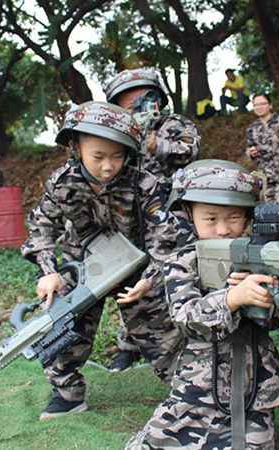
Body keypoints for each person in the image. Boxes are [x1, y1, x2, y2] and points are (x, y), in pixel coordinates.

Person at [20, 101, 192, 420]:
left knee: (160, 326)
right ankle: (67, 394)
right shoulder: (63, 183)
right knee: (60, 317)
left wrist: (151, 278)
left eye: (117, 156)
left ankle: (190, 390)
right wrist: (48, 272)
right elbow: (42, 226)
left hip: (136, 266)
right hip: (83, 265)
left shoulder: (144, 184)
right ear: (75, 147)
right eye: (98, 156)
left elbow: (164, 237)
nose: (108, 166)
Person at [125, 160, 279, 449]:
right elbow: (185, 318)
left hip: (255, 384)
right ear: (190, 214)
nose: (224, 229)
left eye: (234, 217)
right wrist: (232, 299)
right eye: (211, 218)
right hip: (199, 383)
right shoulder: (182, 261)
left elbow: (275, 321)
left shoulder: (261, 256)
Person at [103, 67, 201, 371]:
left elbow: (191, 147)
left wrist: (156, 144)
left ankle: (187, 336)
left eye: (144, 100)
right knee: (130, 277)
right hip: (129, 215)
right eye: (128, 104)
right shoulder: (117, 130)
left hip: (171, 215)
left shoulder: (174, 124)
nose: (138, 108)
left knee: (175, 273)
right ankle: (128, 344)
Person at [245, 93, 279, 204]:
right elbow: (248, 148)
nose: (259, 107)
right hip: (265, 174)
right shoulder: (253, 128)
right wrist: (251, 153)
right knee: (270, 210)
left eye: (262, 104)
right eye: (256, 105)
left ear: (270, 105)